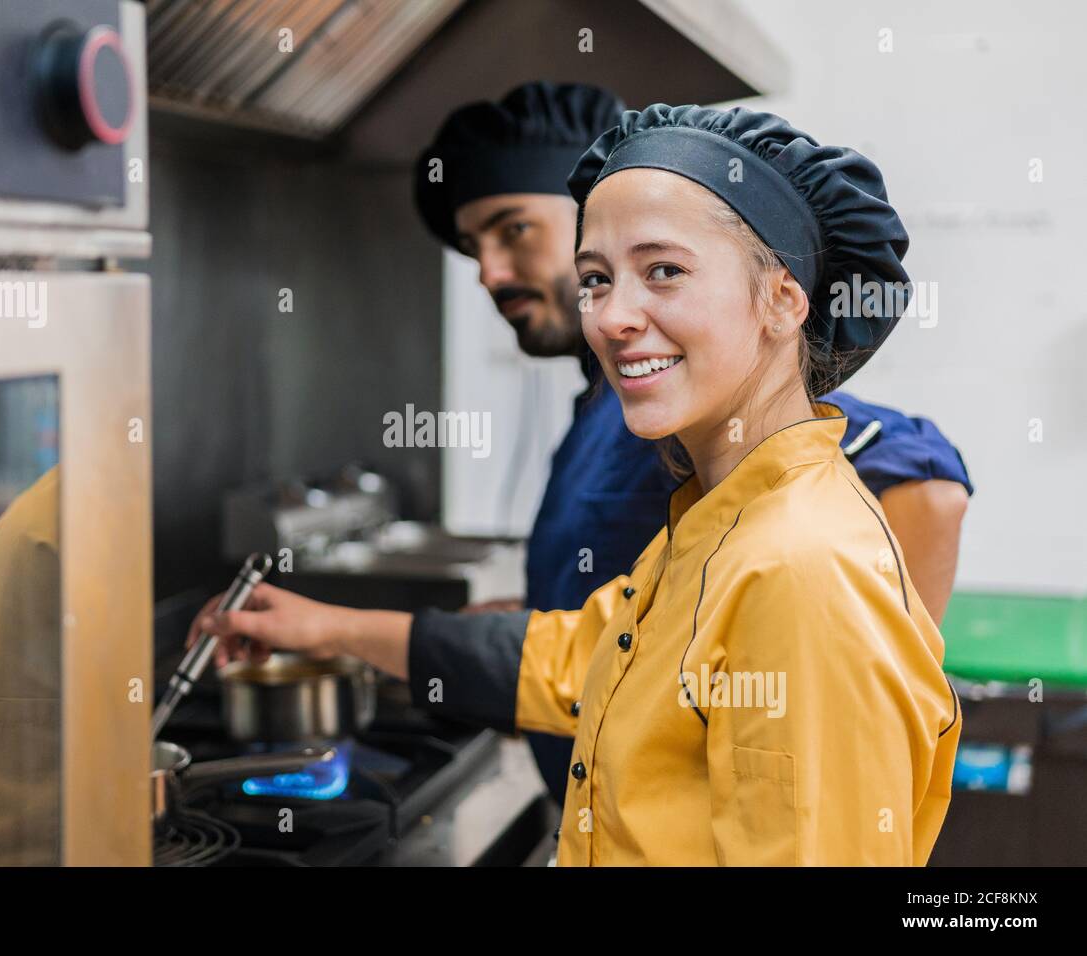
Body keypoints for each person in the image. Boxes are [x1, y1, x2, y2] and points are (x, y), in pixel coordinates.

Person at [192, 103, 960, 865]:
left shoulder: (800, 569)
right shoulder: (713, 521)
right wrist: (323, 628)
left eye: (665, 271)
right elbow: (583, 658)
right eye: (595, 278)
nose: (612, 317)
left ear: (783, 299)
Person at [408, 82, 971, 806]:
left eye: (513, 229)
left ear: (781, 300)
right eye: (597, 279)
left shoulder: (770, 505)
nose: (488, 272)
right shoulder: (647, 434)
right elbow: (633, 634)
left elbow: (927, 477)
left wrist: (872, 682)